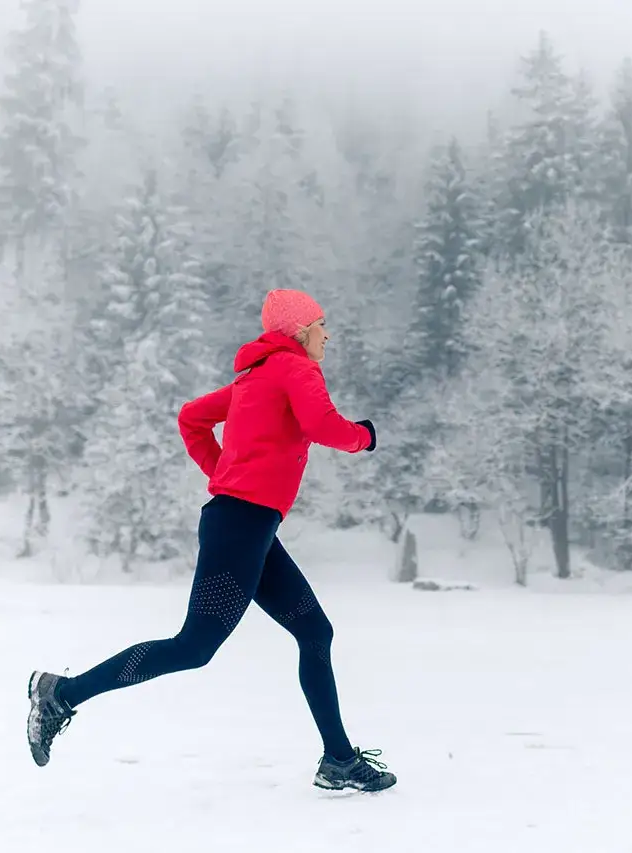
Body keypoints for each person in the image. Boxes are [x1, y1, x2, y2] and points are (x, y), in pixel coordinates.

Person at [25, 288, 396, 793]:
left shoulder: (255, 379)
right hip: (241, 525)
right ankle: (61, 694)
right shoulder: (295, 370)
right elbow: (321, 425)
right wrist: (365, 435)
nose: (327, 334)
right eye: (321, 324)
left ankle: (338, 760)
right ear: (299, 330)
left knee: (315, 633)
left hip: (249, 526)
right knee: (194, 647)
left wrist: (223, 472)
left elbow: (192, 417)